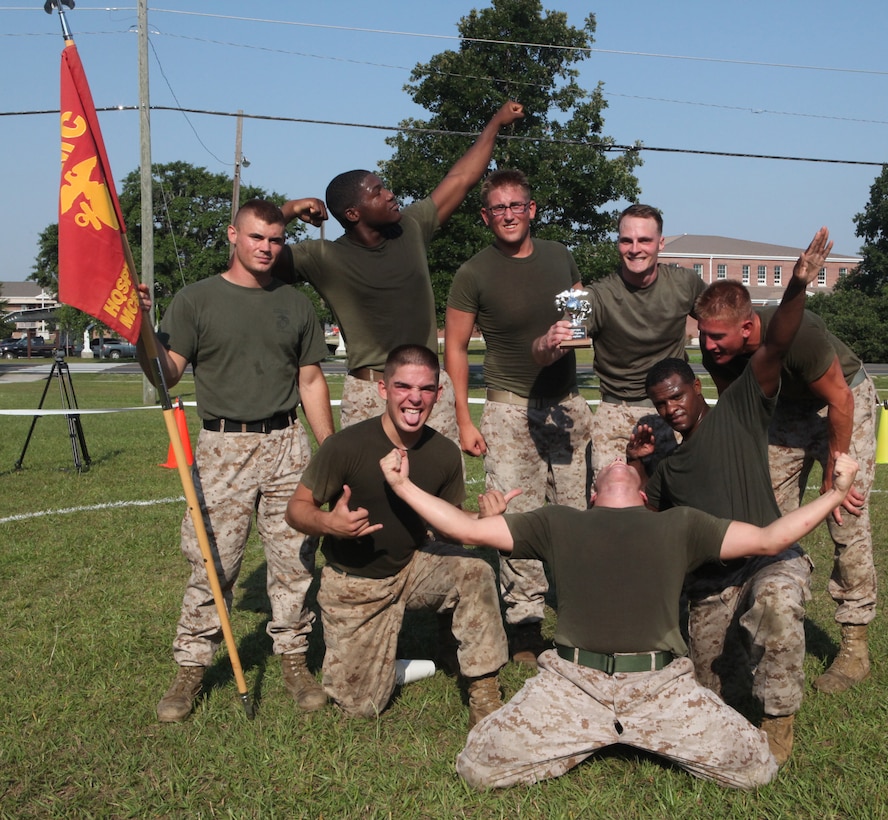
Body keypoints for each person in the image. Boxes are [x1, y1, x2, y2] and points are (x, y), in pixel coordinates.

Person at [379, 433, 859, 789]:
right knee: (478, 768)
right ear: (591, 493)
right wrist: (402, 487)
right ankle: (597, 735)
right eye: (606, 462)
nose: (615, 459)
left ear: (644, 493)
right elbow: (466, 530)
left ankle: (619, 733)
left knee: (755, 769)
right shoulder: (556, 522)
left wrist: (835, 494)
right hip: (572, 682)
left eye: (626, 462)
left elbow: (771, 538)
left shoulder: (680, 525)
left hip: (659, 686)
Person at [630, 228, 834, 765]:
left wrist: (796, 287)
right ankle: (737, 671)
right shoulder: (667, 467)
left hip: (770, 560)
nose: (670, 407)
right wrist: (635, 460)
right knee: (710, 696)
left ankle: (777, 725)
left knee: (775, 610)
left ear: (697, 387)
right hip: (713, 584)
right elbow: (636, 522)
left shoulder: (741, 411)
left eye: (676, 395)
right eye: (660, 402)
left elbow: (778, 343)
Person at [138, 199, 336, 723]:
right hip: (224, 447)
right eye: (256, 238)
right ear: (233, 235)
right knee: (214, 562)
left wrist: (329, 454)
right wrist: (140, 329)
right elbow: (167, 374)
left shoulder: (296, 303)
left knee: (294, 560)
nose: (267, 248)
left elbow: (310, 380)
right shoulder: (196, 299)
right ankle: (191, 668)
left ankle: (293, 659)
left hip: (288, 444)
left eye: (275, 240)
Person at [284, 344, 509, 726]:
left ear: (439, 394)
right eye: (404, 386)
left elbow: (448, 524)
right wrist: (329, 524)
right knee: (359, 705)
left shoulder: (443, 452)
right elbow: (296, 510)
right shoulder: (346, 447)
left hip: (412, 566)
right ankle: (388, 661)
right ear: (383, 389)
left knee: (475, 572)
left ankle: (484, 692)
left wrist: (481, 517)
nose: (414, 398)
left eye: (425, 389)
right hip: (354, 585)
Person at [276, 101, 526, 443]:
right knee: (369, 494)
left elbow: (462, 178)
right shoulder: (324, 256)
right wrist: (289, 210)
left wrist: (495, 122)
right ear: (352, 213)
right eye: (377, 192)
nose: (390, 194)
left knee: (438, 492)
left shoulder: (410, 227)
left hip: (430, 390)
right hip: (370, 392)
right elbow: (251, 247)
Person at [696, 272, 877, 695]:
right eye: (703, 335)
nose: (708, 346)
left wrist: (836, 473)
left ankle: (855, 643)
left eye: (717, 336)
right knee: (764, 518)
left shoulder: (800, 334)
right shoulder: (719, 353)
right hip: (785, 412)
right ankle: (764, 616)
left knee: (844, 514)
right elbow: (739, 413)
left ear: (747, 327)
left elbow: (840, 400)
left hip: (842, 401)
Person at [445, 168, 592, 666]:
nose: (508, 215)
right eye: (498, 208)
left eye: (516, 205)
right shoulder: (473, 273)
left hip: (567, 404)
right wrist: (464, 418)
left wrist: (570, 331)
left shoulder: (559, 255)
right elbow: (457, 349)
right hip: (509, 411)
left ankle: (576, 614)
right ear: (486, 216)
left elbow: (580, 316)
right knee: (517, 516)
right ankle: (525, 622)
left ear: (532, 210)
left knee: (573, 515)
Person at [533, 203, 704, 473]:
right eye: (627, 240)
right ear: (618, 244)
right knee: (611, 507)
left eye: (644, 240)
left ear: (661, 243)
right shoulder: (594, 296)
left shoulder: (686, 283)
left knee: (676, 506)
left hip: (673, 412)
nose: (635, 249)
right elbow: (551, 350)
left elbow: (720, 321)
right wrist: (547, 343)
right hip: (617, 413)